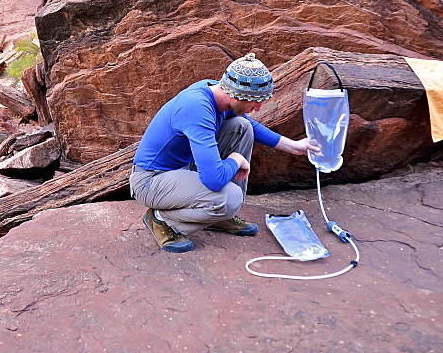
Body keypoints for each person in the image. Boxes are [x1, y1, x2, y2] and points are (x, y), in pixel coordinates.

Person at [130, 53, 320, 253]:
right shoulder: (197, 108)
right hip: (151, 181)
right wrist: (236, 159)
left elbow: (252, 126)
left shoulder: (216, 92)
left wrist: (294, 146)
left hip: (181, 170)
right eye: (255, 100)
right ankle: (162, 219)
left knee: (242, 126)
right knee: (229, 198)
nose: (259, 107)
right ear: (236, 94)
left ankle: (220, 214)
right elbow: (213, 180)